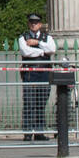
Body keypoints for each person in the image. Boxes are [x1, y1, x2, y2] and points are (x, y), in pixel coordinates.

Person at [19, 13, 56, 141]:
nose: (34, 24)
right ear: (29, 24)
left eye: (36, 23)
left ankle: (39, 132)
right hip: (30, 74)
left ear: (40, 24)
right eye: (31, 22)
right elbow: (25, 52)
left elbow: (52, 49)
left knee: (41, 103)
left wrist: (37, 43)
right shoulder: (23, 37)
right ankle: (28, 132)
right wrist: (42, 51)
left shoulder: (47, 37)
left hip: (44, 73)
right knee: (29, 103)